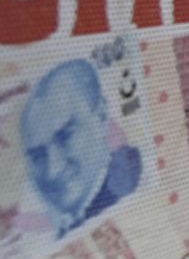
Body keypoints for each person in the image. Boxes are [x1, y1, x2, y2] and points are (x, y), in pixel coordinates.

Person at [20, 59, 141, 236]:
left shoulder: (126, 184)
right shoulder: (61, 225)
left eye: (66, 135)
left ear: (101, 115)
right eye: (38, 156)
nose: (53, 169)